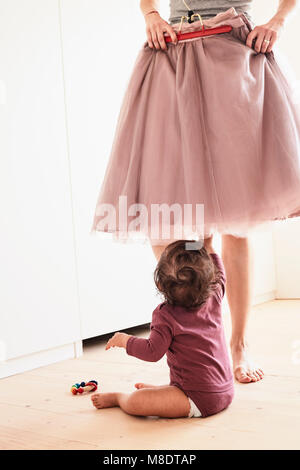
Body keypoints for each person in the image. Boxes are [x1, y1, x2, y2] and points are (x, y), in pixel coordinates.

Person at [91, 1, 300, 384]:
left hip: (234, 56)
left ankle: (238, 343)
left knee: (237, 219)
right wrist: (150, 14)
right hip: (173, 59)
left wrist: (279, 21)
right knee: (183, 225)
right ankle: (207, 340)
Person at [91, 238, 234, 418]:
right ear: (209, 277)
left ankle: (119, 398)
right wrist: (207, 243)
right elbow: (219, 268)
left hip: (197, 398)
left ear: (159, 285)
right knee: (175, 385)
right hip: (226, 390)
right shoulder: (215, 293)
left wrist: (125, 340)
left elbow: (152, 352)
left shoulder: (165, 315)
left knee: (137, 401)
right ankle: (167, 390)